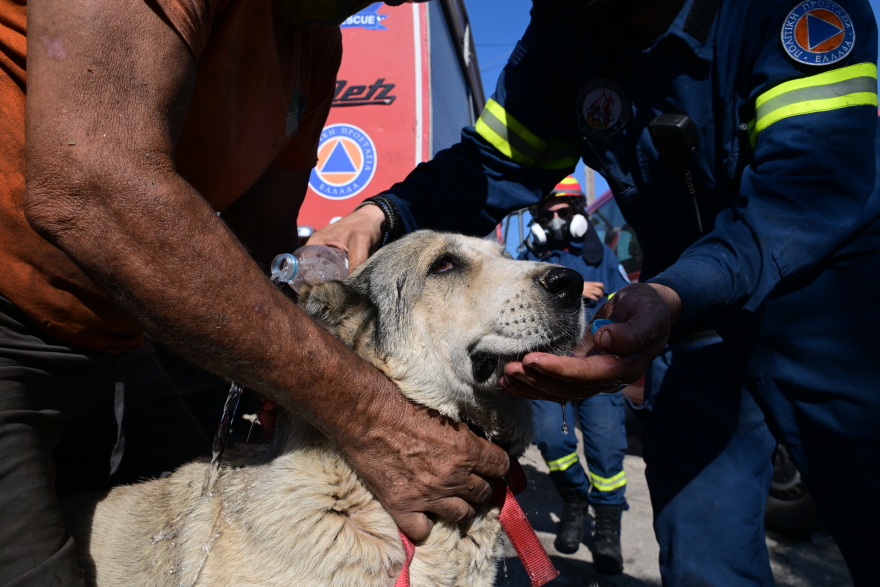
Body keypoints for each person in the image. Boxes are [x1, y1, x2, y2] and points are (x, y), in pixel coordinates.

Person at [311, 0, 880, 584]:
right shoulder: (571, 34)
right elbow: (493, 164)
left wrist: (673, 293)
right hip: (695, 326)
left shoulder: (790, 12)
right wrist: (383, 213)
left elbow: (809, 190)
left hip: (830, 316)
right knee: (703, 557)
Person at [0, 1, 511, 584]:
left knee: (205, 529)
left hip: (116, 334)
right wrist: (369, 415)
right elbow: (91, 184)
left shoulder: (311, 41)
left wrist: (325, 315)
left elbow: (257, 243)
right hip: (10, 315)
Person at [522, 177, 631, 574]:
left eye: (564, 211)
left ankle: (607, 529)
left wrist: (597, 299)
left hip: (597, 372)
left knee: (606, 454)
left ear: (579, 213)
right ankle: (574, 498)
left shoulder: (599, 254)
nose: (556, 219)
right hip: (551, 374)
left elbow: (625, 303)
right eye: (548, 212)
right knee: (552, 442)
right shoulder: (529, 259)